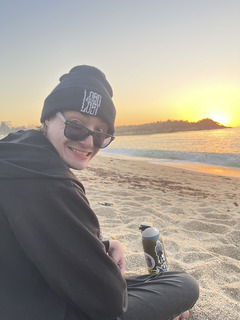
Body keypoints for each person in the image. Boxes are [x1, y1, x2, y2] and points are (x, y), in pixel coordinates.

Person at [0, 65, 199, 320]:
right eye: (76, 126)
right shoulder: (50, 184)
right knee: (182, 285)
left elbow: (36, 236)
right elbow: (110, 304)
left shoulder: (18, 152)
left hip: (17, 284)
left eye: (100, 133)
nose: (87, 142)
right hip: (40, 307)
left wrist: (104, 246)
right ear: (48, 117)